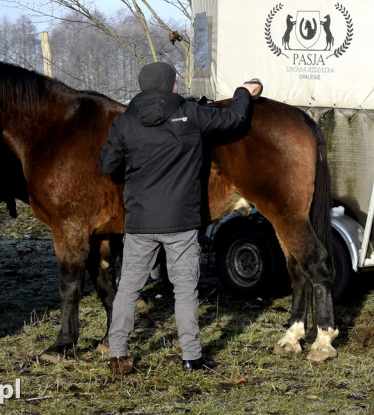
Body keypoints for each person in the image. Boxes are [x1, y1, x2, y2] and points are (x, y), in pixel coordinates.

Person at [99, 61, 262, 376]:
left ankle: (118, 356)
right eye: (175, 82)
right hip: (182, 222)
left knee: (129, 288)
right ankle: (191, 357)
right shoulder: (192, 115)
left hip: (140, 223)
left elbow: (108, 165)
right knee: (185, 289)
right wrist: (244, 91)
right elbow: (236, 119)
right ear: (169, 85)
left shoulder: (124, 122)